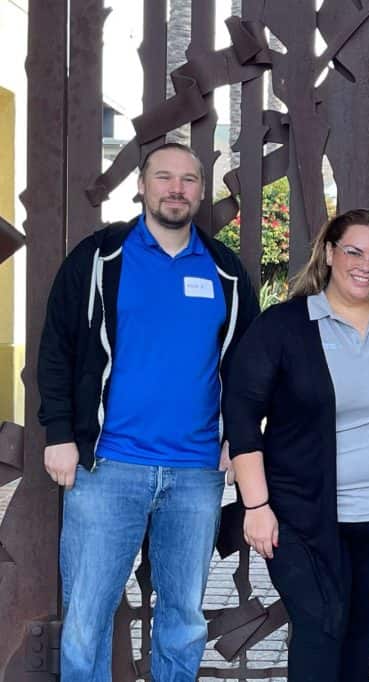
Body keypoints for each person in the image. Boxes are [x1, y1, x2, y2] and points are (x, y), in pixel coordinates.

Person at [37, 142, 259, 681]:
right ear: (141, 185)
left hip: (196, 473)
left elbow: (249, 366)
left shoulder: (225, 271)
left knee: (183, 619)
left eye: (187, 180)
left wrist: (240, 434)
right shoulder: (98, 259)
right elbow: (57, 348)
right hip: (108, 467)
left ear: (200, 191)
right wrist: (60, 432)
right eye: (164, 177)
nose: (176, 189)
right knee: (87, 619)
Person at [223, 209, 369, 682]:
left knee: (359, 628)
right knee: (319, 627)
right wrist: (255, 505)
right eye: (354, 251)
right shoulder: (285, 325)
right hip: (303, 515)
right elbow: (241, 412)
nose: (367, 265)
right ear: (330, 253)